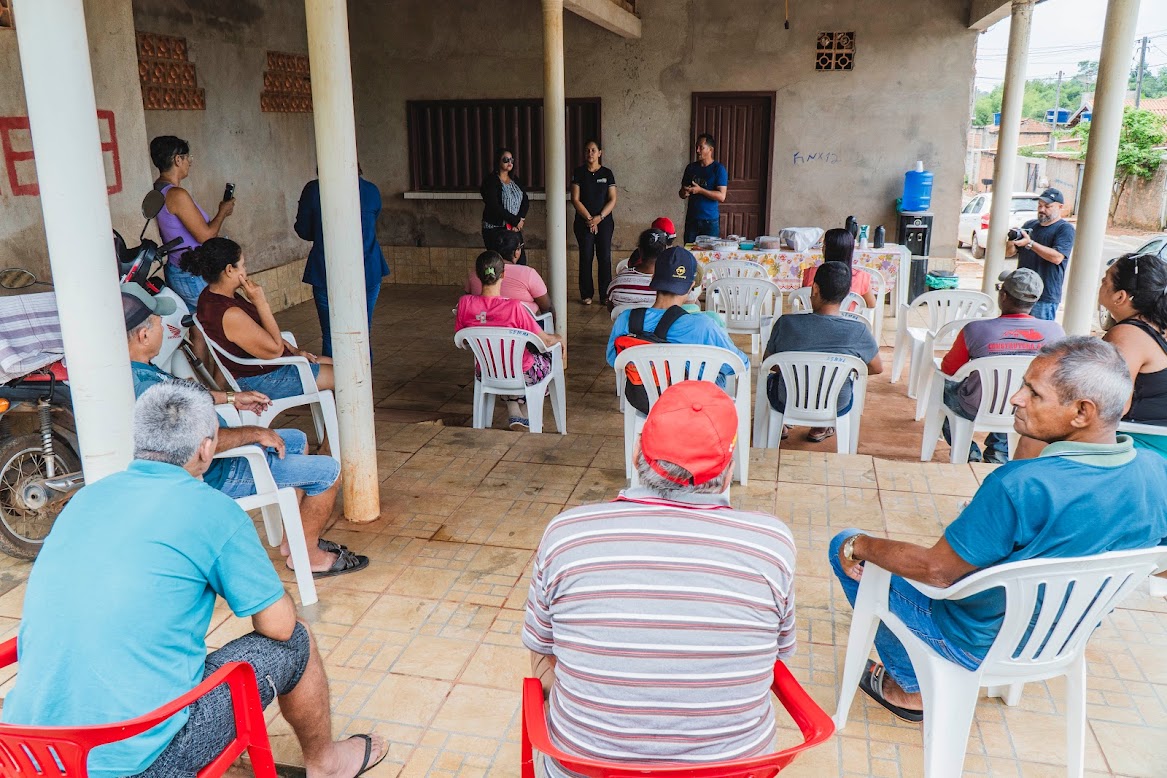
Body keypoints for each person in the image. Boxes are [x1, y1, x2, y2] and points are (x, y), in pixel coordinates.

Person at [1, 382, 387, 778]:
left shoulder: (85, 498)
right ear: (206, 448)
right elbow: (279, 625)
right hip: (138, 763)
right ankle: (327, 764)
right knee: (296, 639)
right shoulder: (212, 510)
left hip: (24, 753)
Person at [830, 337, 1167, 723]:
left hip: (973, 641)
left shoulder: (1021, 485)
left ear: (1082, 412)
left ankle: (910, 687)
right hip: (1061, 636)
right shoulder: (1156, 473)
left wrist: (861, 544)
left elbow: (938, 572)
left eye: (1034, 393)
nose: (1015, 398)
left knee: (845, 543)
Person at [523, 380, 796, 776]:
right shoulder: (773, 545)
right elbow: (778, 653)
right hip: (736, 771)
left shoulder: (567, 533)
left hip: (586, 769)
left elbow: (543, 646)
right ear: (728, 473)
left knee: (544, 647)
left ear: (637, 453)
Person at [122, 286, 366, 578]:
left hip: (217, 457)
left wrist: (231, 397)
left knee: (296, 440)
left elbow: (186, 396)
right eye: (159, 322)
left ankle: (296, 540)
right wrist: (253, 433)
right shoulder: (147, 387)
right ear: (144, 335)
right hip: (217, 471)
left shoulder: (135, 370)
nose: (165, 327)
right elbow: (199, 444)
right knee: (329, 473)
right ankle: (310, 557)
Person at [937, 268, 1064, 464]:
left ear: (1003, 295)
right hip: (1028, 408)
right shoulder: (1055, 332)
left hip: (976, 407)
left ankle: (968, 452)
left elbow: (949, 370)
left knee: (942, 390)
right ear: (1035, 300)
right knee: (1013, 396)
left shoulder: (975, 329)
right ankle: (997, 452)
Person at [182, 237, 335, 400]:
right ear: (229, 270)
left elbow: (260, 333)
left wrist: (295, 351)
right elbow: (275, 350)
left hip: (268, 367)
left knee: (339, 364)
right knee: (346, 376)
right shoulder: (230, 314)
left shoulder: (212, 295)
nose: (245, 270)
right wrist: (261, 303)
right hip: (263, 379)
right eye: (243, 265)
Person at [607, 246, 748, 413]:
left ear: (653, 278)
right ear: (691, 286)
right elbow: (737, 365)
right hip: (695, 406)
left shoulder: (626, 319)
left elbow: (614, 360)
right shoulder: (704, 325)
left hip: (646, 402)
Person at [764, 262, 882, 443]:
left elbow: (769, 363)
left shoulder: (786, 323)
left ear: (815, 288)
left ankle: (783, 423)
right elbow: (877, 368)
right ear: (846, 294)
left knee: (773, 380)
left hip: (786, 400)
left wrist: (797, 372)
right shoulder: (858, 331)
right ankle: (823, 425)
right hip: (836, 404)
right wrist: (840, 371)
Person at [456, 251, 564, 431]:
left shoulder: (464, 304)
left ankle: (515, 410)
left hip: (486, 371)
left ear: (478, 275)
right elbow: (545, 341)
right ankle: (529, 411)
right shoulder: (515, 308)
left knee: (501, 361)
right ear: (503, 275)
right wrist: (559, 338)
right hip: (522, 373)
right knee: (548, 359)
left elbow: (463, 341)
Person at [294, 170, 389, 358]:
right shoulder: (370, 190)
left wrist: (321, 231)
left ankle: (334, 376)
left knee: (332, 335)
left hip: (327, 271)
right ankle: (363, 375)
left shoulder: (314, 190)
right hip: (368, 268)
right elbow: (371, 223)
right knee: (362, 331)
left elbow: (303, 230)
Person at [149, 135, 235, 310]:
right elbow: (206, 236)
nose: (190, 162)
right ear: (177, 159)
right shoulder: (176, 195)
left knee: (197, 322)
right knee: (218, 318)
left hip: (179, 267)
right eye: (188, 157)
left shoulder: (158, 189)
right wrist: (223, 212)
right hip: (191, 274)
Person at [1099, 252, 1167, 457]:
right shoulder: (1157, 327)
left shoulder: (1127, 335)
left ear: (1120, 297)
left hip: (1142, 446)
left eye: (1105, 281)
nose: (1101, 284)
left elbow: (1112, 406)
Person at [1006, 187, 1075, 321]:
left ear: (1060, 207)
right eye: (1039, 205)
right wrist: (1012, 240)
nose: (1042, 209)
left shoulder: (1064, 229)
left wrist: (1030, 243)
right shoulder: (1030, 225)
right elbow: (1009, 254)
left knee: (1040, 333)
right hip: (1020, 293)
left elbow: (1057, 257)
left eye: (1047, 206)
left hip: (1044, 296)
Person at [571, 139, 618, 305]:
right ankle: (586, 294)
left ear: (600, 153)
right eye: (587, 150)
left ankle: (605, 295)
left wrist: (600, 218)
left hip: (604, 222)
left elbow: (612, 199)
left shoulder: (607, 173)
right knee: (586, 256)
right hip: (584, 222)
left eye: (593, 150)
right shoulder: (579, 172)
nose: (590, 153)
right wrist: (590, 219)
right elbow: (575, 199)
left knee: (604, 257)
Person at [464, 230, 551, 317]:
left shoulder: (476, 272)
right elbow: (547, 307)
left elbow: (469, 301)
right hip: (521, 324)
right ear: (516, 252)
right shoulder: (528, 274)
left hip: (484, 322)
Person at [799, 228, 877, 309]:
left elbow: (803, 301)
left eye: (824, 245)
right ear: (850, 251)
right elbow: (871, 304)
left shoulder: (811, 273)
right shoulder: (861, 277)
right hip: (849, 317)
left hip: (816, 317)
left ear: (826, 250)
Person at [480, 147, 530, 265]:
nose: (509, 162)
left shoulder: (515, 179)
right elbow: (494, 206)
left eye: (511, 160)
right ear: (498, 161)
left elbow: (525, 200)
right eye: (506, 160)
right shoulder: (491, 181)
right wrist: (515, 220)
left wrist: (521, 219)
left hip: (514, 228)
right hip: (495, 229)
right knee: (500, 263)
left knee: (521, 262)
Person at [678, 133, 728, 244]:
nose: (697, 150)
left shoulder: (718, 169)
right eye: (697, 147)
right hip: (692, 219)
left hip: (710, 221)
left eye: (701, 147)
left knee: (709, 251)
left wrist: (700, 190)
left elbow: (721, 196)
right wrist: (684, 192)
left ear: (710, 149)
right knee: (689, 250)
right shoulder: (691, 168)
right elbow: (681, 193)